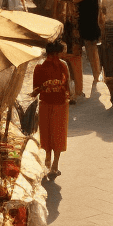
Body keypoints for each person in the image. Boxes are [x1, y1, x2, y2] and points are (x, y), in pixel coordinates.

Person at [30, 40, 69, 177]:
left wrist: (44, 88)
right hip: (60, 105)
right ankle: (54, 166)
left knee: (47, 134)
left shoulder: (39, 67)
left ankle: (47, 162)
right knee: (58, 134)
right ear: (58, 52)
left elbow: (35, 89)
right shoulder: (63, 66)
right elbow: (67, 88)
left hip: (45, 104)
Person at [51, 0, 84, 103]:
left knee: (74, 61)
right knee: (65, 61)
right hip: (64, 31)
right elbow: (54, 14)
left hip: (73, 31)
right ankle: (69, 92)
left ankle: (77, 91)